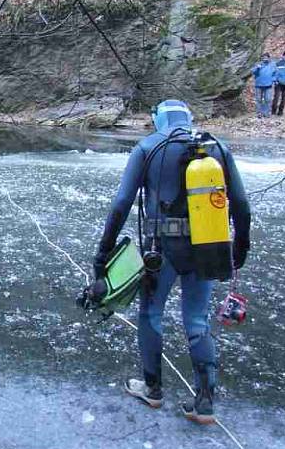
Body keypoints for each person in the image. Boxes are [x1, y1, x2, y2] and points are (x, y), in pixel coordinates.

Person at [91, 99, 251, 424]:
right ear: (189, 118)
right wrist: (240, 247)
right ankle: (205, 403)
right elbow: (242, 204)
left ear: (156, 120)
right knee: (197, 319)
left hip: (161, 250)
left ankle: (152, 390)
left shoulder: (148, 148)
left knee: (151, 312)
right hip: (207, 246)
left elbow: (122, 203)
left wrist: (103, 252)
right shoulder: (215, 148)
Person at [251, 53, 275, 118]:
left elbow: (275, 73)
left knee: (268, 99)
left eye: (267, 57)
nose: (265, 58)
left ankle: (266, 113)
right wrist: (257, 68)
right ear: (262, 58)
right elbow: (253, 72)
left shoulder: (272, 65)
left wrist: (273, 80)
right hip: (258, 85)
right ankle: (259, 113)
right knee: (259, 99)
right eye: (264, 57)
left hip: (268, 85)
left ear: (269, 58)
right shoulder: (258, 64)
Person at [271, 49, 285, 116]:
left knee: (284, 98)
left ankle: (280, 111)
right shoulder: (278, 63)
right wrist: (275, 80)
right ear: (282, 56)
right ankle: (273, 111)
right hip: (278, 83)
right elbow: (274, 73)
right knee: (276, 97)